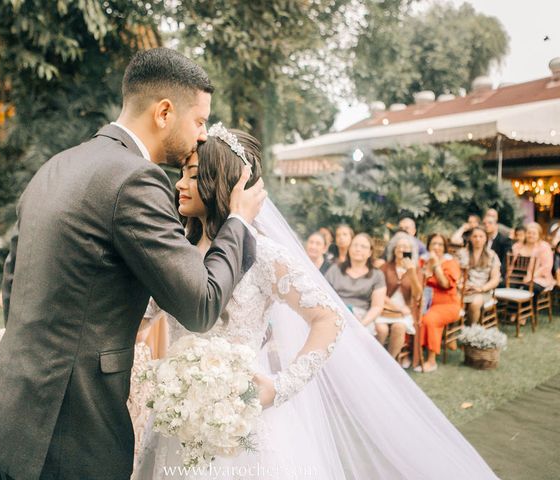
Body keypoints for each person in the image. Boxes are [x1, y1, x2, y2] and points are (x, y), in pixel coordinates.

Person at [0, 48, 266, 480]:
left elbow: (14, 283)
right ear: (164, 112)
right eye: (199, 121)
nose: (202, 136)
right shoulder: (136, 180)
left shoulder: (57, 166)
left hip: (10, 415)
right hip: (73, 432)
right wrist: (238, 221)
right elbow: (200, 305)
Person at [136, 125, 498, 479]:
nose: (179, 185)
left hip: (243, 423)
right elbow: (141, 320)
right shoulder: (175, 251)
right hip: (177, 423)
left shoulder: (262, 254)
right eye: (181, 174)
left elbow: (329, 320)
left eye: (192, 175)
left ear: (221, 183)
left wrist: (281, 386)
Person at [416, 233, 462, 373]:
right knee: (413, 316)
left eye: (440, 244)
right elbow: (417, 282)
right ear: (428, 246)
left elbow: (444, 284)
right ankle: (414, 355)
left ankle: (431, 360)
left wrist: (436, 266)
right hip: (424, 302)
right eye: (433, 244)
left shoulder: (450, 263)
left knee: (430, 319)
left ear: (445, 247)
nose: (436, 247)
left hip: (448, 305)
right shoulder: (422, 261)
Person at [324, 233, 386, 335]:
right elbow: (324, 295)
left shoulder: (377, 275)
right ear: (349, 249)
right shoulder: (334, 270)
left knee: (361, 336)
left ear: (370, 252)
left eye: (363, 246)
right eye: (355, 245)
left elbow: (377, 306)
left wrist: (361, 324)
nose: (358, 249)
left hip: (362, 316)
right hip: (335, 313)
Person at [377, 232, 423, 363]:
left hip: (405, 312)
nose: (402, 249)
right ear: (394, 249)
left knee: (399, 327)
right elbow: (379, 292)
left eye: (406, 247)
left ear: (411, 251)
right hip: (385, 308)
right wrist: (397, 308)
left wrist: (412, 272)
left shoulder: (416, 270)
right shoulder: (385, 267)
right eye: (399, 246)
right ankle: (374, 360)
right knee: (381, 329)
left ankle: (389, 362)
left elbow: (418, 295)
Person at [458, 227, 501, 324]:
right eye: (475, 236)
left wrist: (481, 288)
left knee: (475, 303)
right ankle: (452, 330)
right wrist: (462, 286)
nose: (478, 239)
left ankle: (471, 330)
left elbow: (495, 279)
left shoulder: (492, 255)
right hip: (464, 288)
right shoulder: (462, 253)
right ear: (470, 238)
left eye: (481, 236)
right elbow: (456, 274)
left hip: (483, 290)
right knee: (454, 300)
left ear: (486, 238)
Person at [511, 222, 554, 298]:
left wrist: (531, 276)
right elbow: (512, 263)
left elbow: (546, 267)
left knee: (527, 288)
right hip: (517, 276)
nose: (531, 235)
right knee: (503, 284)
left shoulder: (544, 247)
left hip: (538, 278)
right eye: (529, 233)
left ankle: (526, 309)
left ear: (539, 235)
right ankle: (511, 307)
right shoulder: (518, 246)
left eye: (534, 233)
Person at [483, 214, 511, 282]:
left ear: (496, 225)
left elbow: (506, 262)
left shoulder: (505, 241)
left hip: (497, 274)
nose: (487, 225)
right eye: (484, 223)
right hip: (482, 273)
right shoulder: (481, 239)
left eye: (490, 223)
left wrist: (497, 275)